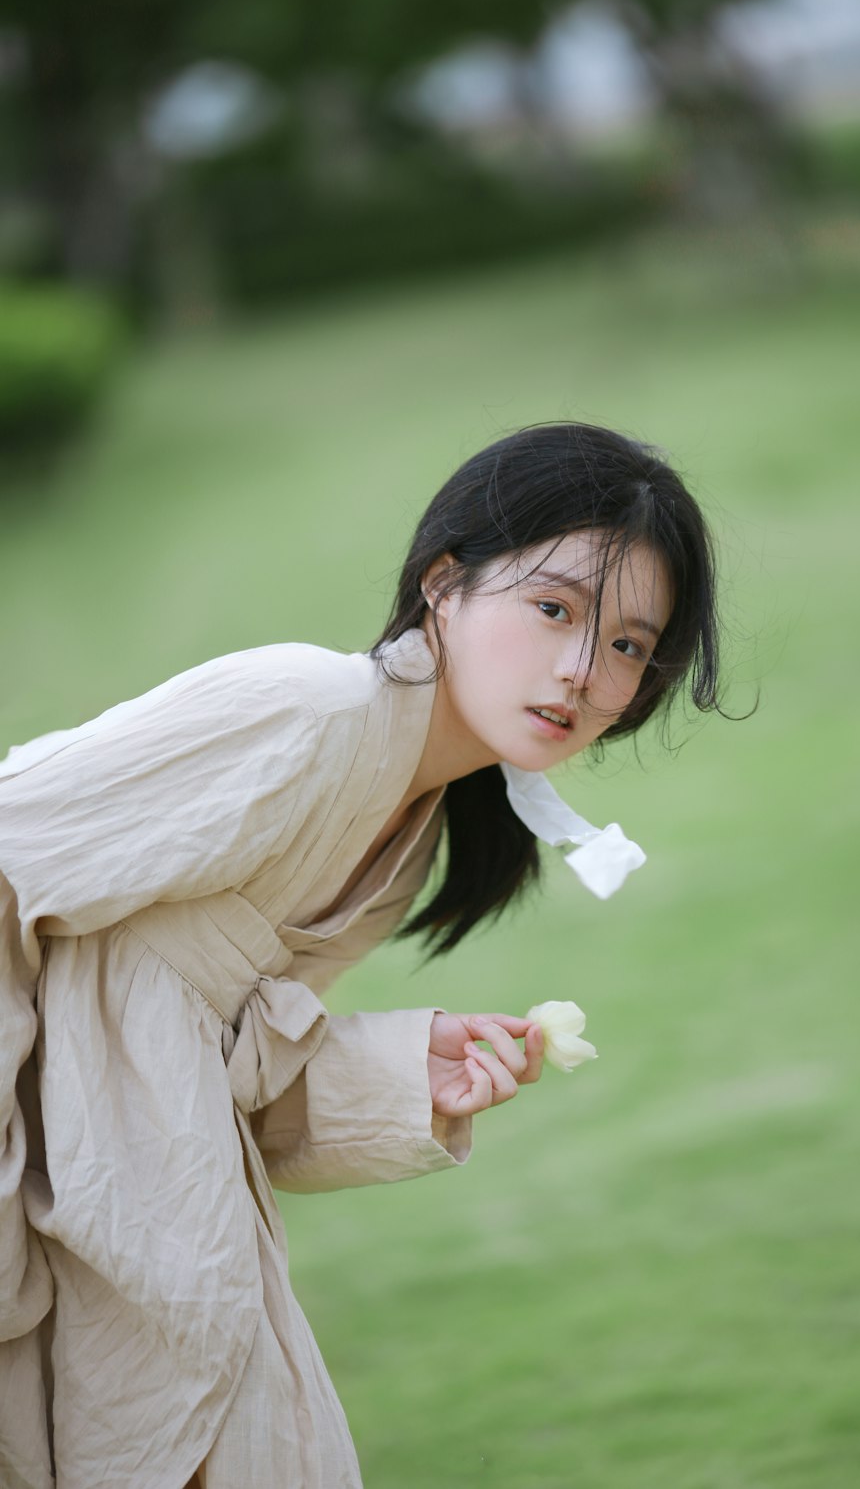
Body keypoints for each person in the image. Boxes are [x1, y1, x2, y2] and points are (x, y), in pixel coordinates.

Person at [0, 421, 722, 1488]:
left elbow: (192, 1050)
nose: (581, 668)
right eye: (553, 608)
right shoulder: (308, 710)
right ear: (445, 584)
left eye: (625, 644)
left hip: (156, 1227)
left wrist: (396, 1072)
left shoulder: (414, 827)